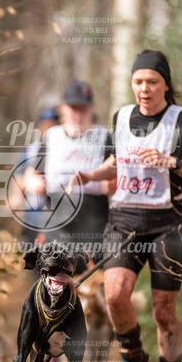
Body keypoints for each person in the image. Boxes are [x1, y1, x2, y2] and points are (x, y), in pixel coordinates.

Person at [66, 50, 182, 362]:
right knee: (115, 294)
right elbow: (116, 163)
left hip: (169, 223)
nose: (144, 88)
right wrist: (88, 175)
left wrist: (172, 161)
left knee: (163, 310)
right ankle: (132, 354)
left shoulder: (181, 120)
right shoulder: (122, 117)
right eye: (138, 81)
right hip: (126, 221)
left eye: (152, 82)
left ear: (166, 85)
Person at [24, 80, 112, 270]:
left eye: (83, 109)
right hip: (56, 223)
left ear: (92, 108)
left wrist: (111, 186)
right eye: (73, 108)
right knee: (56, 277)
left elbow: (118, 176)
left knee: (91, 284)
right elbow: (29, 177)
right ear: (63, 108)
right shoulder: (52, 137)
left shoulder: (103, 137)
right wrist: (34, 184)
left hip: (93, 226)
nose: (77, 114)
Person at [12, 107, 60, 245]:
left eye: (52, 126)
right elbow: (19, 178)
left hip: (57, 210)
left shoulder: (64, 149)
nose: (49, 130)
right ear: (40, 127)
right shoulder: (30, 151)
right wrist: (17, 197)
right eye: (46, 126)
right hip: (34, 210)